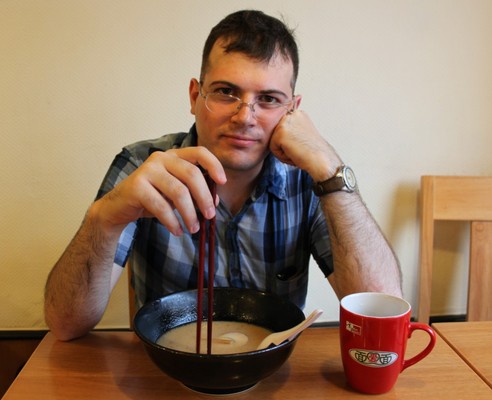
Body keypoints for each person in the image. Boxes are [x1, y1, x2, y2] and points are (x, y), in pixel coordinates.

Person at [44, 10, 402, 341]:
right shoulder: (142, 166)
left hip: (274, 371)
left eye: (269, 99)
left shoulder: (310, 180)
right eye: (226, 92)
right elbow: (65, 324)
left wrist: (330, 169)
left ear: (293, 111)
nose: (245, 117)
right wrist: (103, 219)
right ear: (195, 95)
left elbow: (383, 309)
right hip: (166, 372)